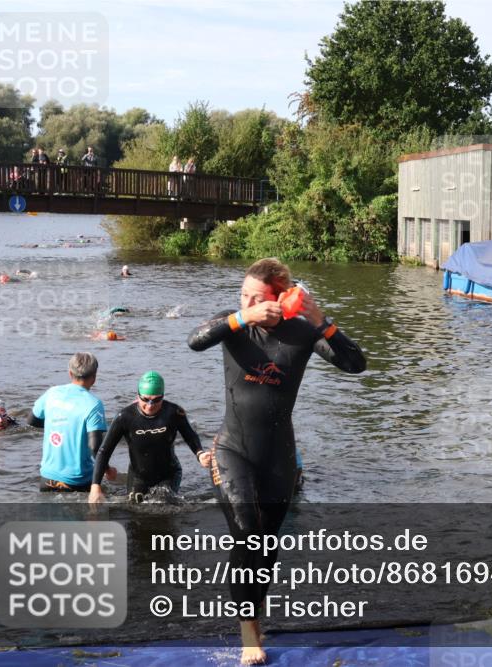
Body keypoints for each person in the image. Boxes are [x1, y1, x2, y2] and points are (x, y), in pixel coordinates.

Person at [187, 257, 366, 665]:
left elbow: (356, 364)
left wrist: (323, 321)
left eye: (255, 297)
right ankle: (249, 633)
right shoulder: (234, 326)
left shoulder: (301, 333)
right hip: (233, 449)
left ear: (281, 297)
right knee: (248, 531)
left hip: (279, 457)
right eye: (242, 295)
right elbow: (194, 340)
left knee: (267, 547)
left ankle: (255, 617)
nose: (247, 302)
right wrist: (241, 315)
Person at [89, 371, 208, 504]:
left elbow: (190, 435)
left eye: (156, 400)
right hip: (138, 476)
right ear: (138, 395)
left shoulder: (174, 412)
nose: (150, 405)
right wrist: (95, 486)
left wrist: (200, 454)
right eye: (145, 399)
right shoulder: (125, 417)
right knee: (135, 507)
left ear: (163, 396)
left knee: (163, 502)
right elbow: (104, 451)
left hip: (168, 474)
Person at [28, 352, 115, 492]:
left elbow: (32, 421)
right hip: (78, 481)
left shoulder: (51, 393)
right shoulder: (94, 404)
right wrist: (107, 469)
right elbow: (94, 446)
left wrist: (59, 424)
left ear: (70, 373)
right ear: (94, 377)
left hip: (47, 478)